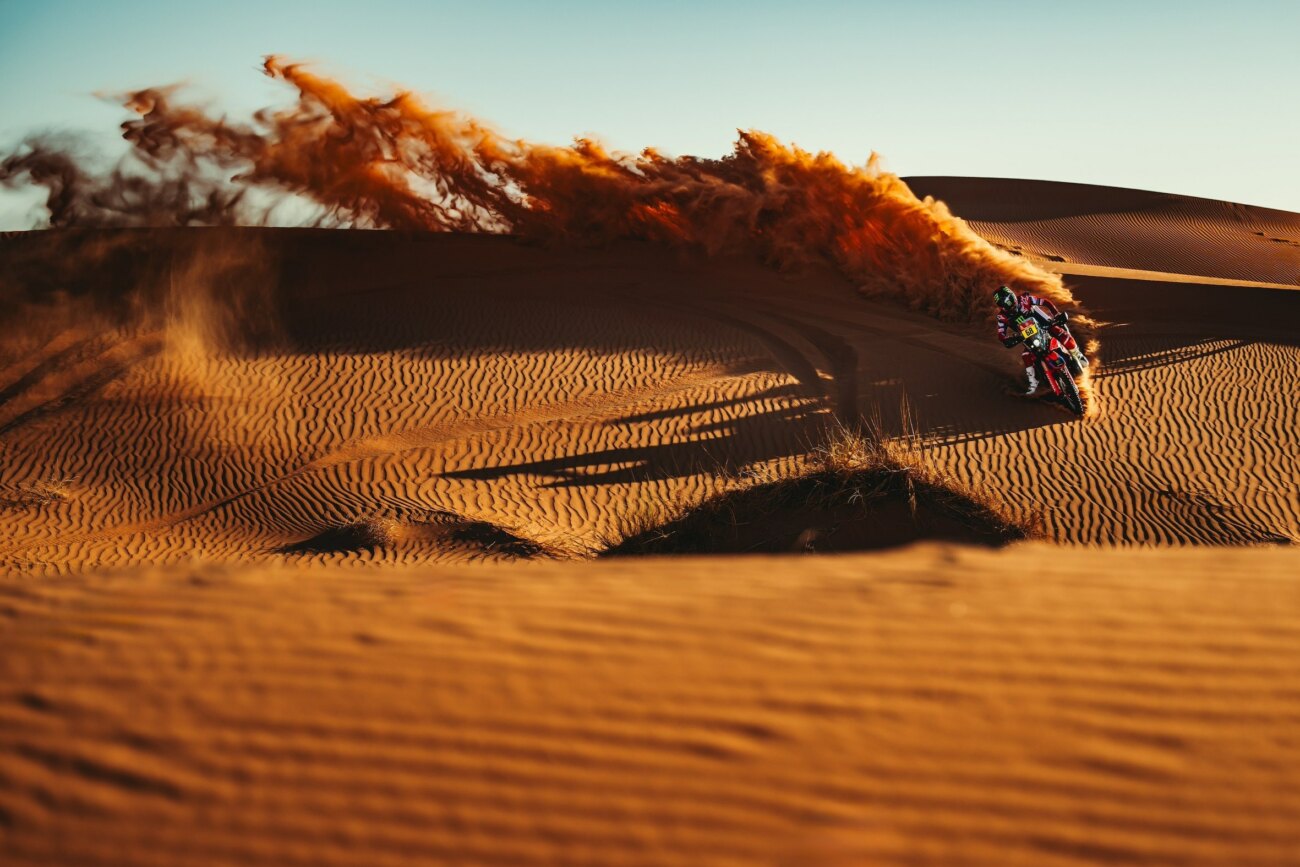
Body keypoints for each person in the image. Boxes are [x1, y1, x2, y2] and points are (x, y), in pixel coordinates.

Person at [994, 285, 1088, 395]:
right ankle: (1033, 382)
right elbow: (1001, 333)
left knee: (1061, 333)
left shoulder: (1025, 299)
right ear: (1000, 306)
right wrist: (1006, 339)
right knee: (1026, 356)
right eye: (1004, 303)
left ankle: (1077, 354)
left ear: (1013, 296)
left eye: (1009, 300)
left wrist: (1056, 314)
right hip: (1028, 338)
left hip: (1045, 325)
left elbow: (1045, 302)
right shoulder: (1002, 317)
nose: (1008, 304)